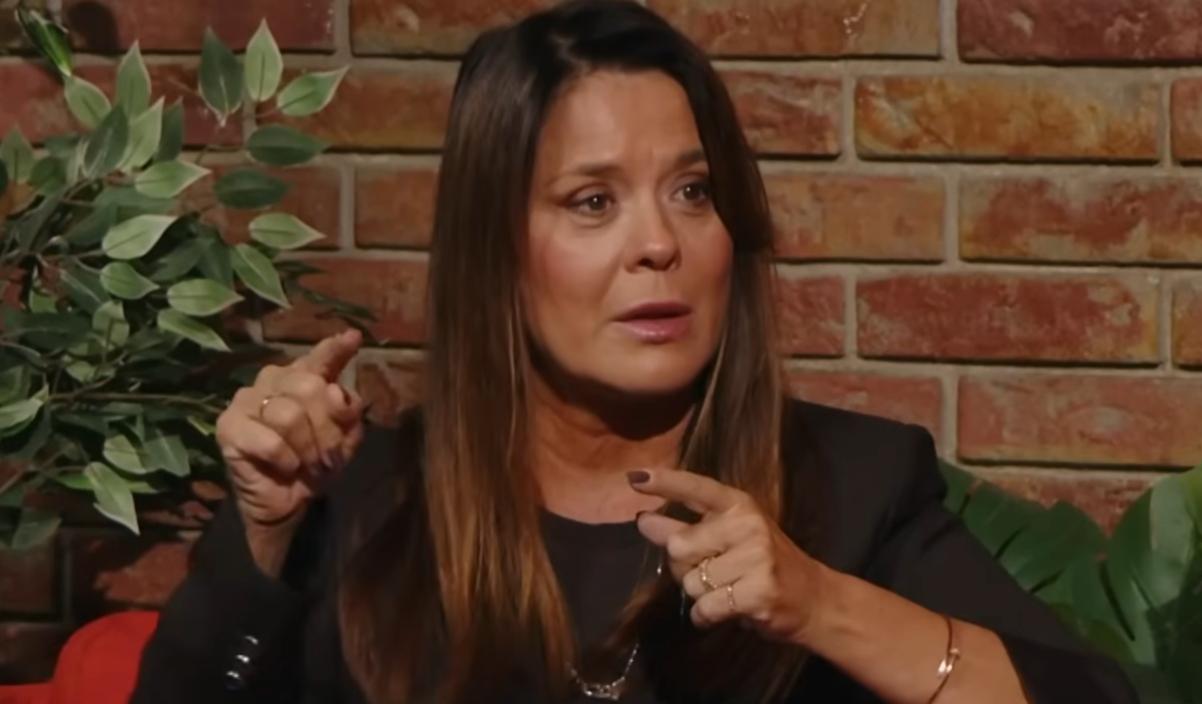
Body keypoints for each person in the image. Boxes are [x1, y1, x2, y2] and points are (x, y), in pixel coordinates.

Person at [131, 1, 1139, 702]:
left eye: (693, 192)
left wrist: (821, 603)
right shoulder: (370, 500)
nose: (660, 243)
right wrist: (263, 535)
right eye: (592, 201)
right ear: (497, 250)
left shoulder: (853, 485)